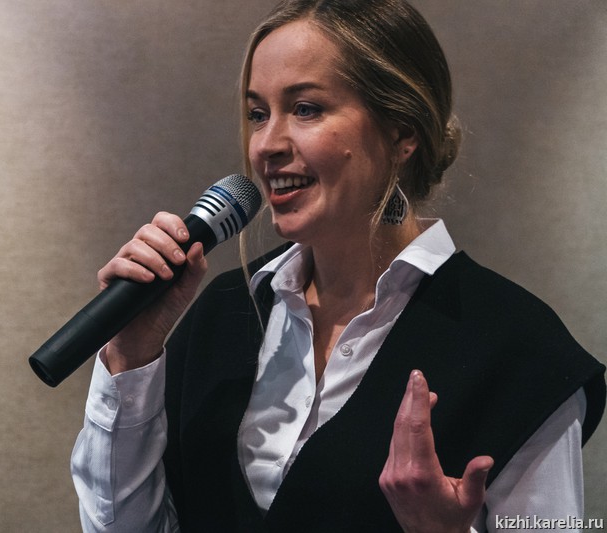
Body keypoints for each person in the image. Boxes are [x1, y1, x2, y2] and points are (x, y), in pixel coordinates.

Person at [71, 0, 606, 531]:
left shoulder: (522, 351)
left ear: (402, 131)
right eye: (258, 114)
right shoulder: (225, 312)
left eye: (306, 109)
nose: (266, 145)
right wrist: (130, 354)